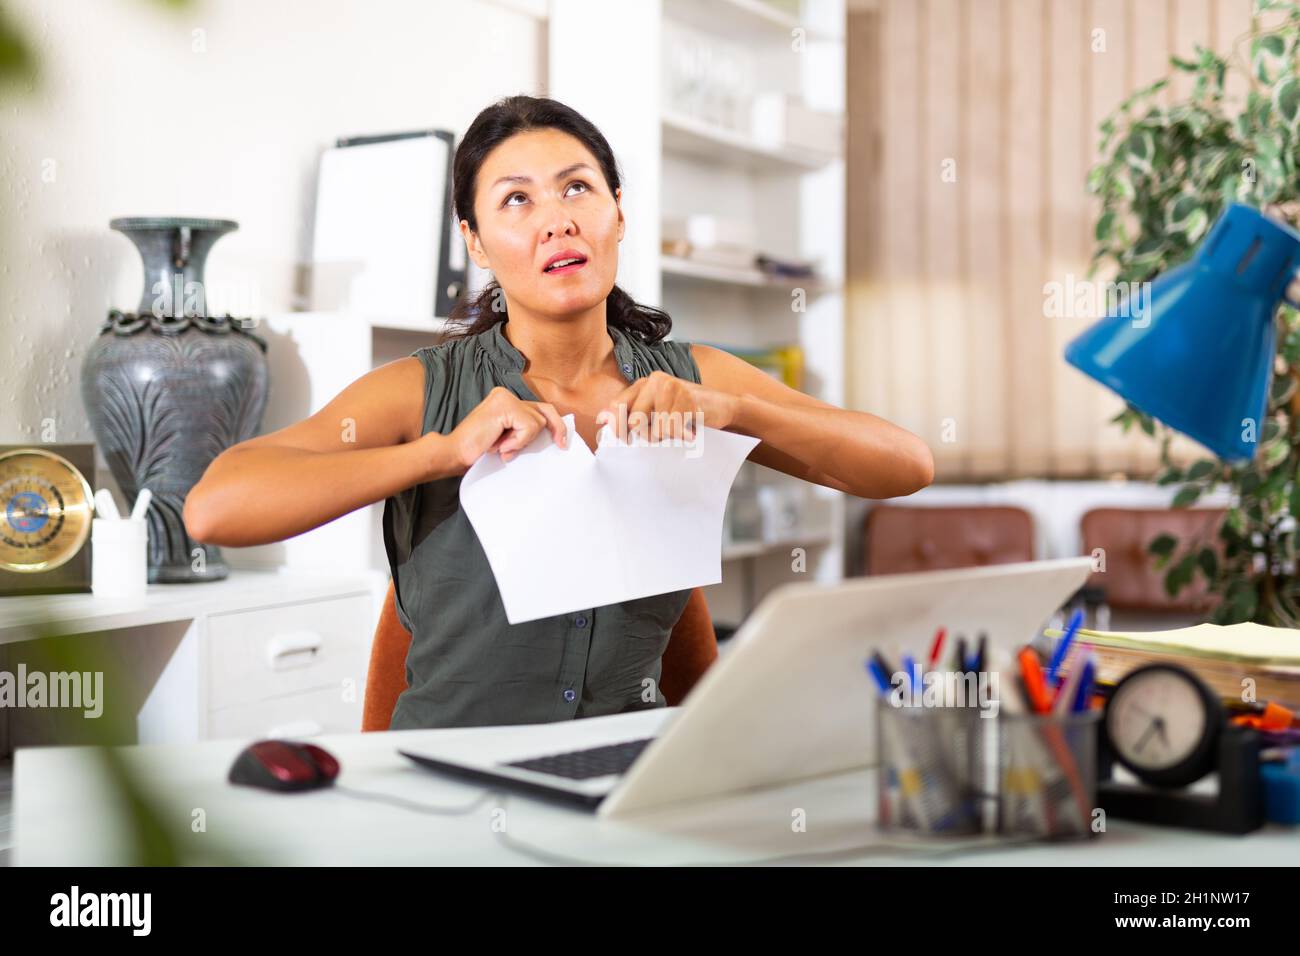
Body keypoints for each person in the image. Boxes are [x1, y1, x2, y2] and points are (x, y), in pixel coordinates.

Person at [183, 94, 934, 729]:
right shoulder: (421, 391)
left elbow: (906, 465)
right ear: (476, 242)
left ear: (617, 213)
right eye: (517, 199)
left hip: (617, 788)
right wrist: (440, 453)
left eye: (578, 189)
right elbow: (216, 509)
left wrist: (732, 408)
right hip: (445, 796)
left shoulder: (695, 379)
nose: (557, 219)